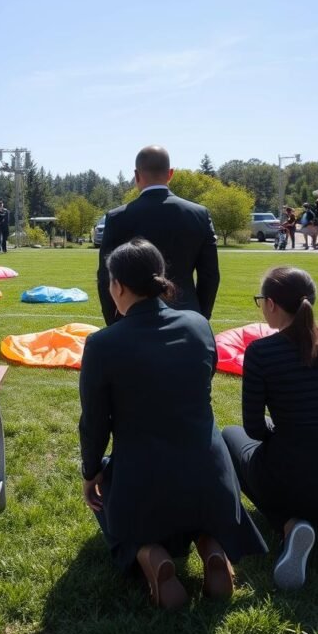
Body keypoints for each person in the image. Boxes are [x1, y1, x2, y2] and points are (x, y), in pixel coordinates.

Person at [80, 238, 266, 609]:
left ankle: (151, 554)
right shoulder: (198, 325)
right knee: (194, 504)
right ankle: (211, 545)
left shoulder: (103, 344)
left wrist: (89, 474)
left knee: (109, 498)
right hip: (210, 478)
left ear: (117, 286)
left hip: (144, 483)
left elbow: (94, 423)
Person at [222, 267, 318, 590]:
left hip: (292, 476)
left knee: (229, 437)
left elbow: (254, 429)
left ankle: (291, 526)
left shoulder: (261, 352)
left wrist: (282, 430)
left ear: (271, 304)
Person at [98, 145, 220, 325]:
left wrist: (114, 323)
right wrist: (200, 318)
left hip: (132, 321)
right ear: (170, 174)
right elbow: (210, 275)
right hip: (187, 319)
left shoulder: (118, 218)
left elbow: (106, 277)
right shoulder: (199, 215)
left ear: (136, 176)